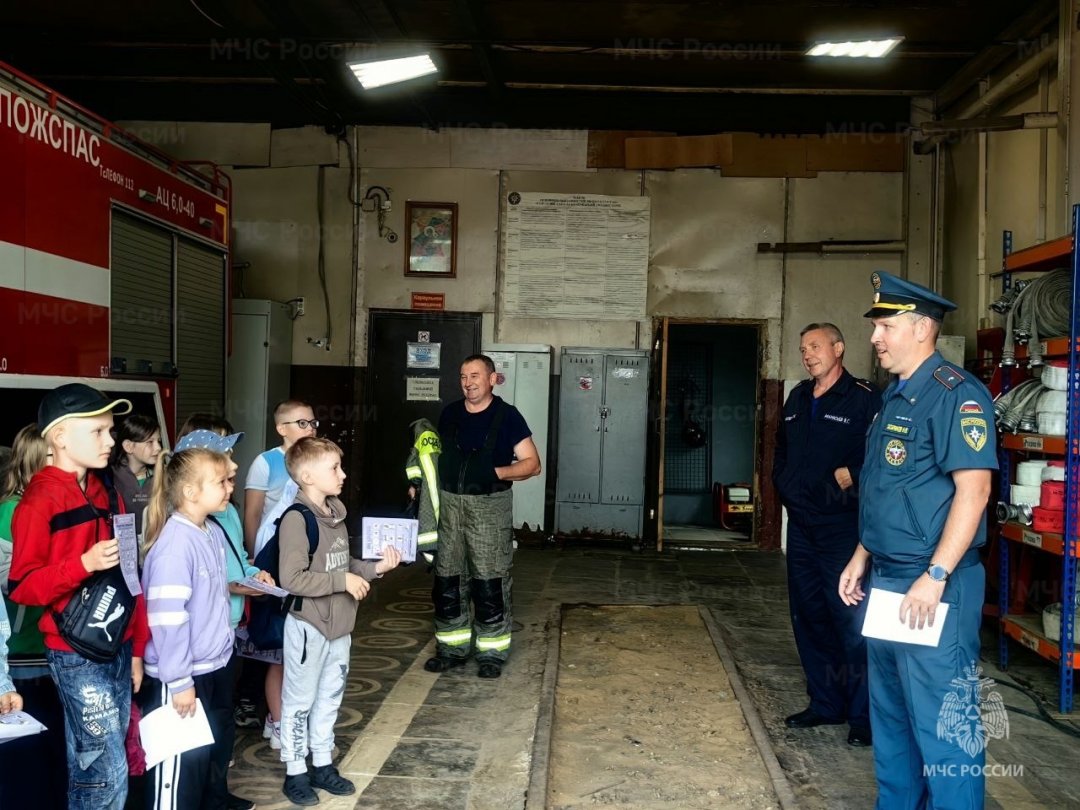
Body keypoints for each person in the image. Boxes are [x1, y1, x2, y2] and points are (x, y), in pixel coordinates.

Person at [839, 271, 996, 809]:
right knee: (893, 716)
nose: (875, 338)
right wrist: (862, 554)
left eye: (886, 326)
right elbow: (886, 485)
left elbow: (973, 493)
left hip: (934, 586)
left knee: (943, 724)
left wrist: (934, 577)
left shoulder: (957, 396)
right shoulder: (893, 397)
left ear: (922, 328)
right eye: (876, 326)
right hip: (887, 576)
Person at [8, 383, 148, 810]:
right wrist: (82, 565)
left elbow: (130, 575)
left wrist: (137, 648)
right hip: (74, 653)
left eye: (111, 431)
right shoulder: (38, 500)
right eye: (99, 432)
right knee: (103, 768)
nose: (110, 442)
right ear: (60, 437)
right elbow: (23, 586)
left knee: (104, 758)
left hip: (118, 645)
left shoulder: (109, 492)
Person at [276, 436, 401, 805]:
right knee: (299, 701)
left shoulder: (336, 513)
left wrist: (377, 567)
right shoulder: (297, 520)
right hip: (308, 625)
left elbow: (343, 566)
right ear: (308, 476)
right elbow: (292, 579)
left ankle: (322, 763)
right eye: (334, 468)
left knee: (330, 697)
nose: (343, 474)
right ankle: (295, 770)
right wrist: (341, 581)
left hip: (340, 627)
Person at [774, 323, 880, 747]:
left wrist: (851, 475)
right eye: (803, 349)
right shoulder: (798, 397)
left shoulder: (865, 399)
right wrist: (783, 483)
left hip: (841, 528)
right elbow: (781, 448)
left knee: (850, 619)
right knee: (809, 615)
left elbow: (886, 453)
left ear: (839, 347)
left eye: (816, 346)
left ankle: (863, 716)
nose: (808, 354)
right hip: (801, 525)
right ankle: (825, 703)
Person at [427, 354, 541, 679]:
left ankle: (492, 652)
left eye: (475, 375)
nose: (468, 382)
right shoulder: (449, 413)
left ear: (492, 379)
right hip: (450, 506)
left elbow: (533, 464)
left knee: (489, 579)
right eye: (463, 376)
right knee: (447, 578)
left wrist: (495, 471)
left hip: (489, 507)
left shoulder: (508, 417)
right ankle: (452, 648)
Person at [139, 446, 239, 810]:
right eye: (220, 482)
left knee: (201, 765)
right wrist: (180, 681)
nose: (230, 488)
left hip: (212, 666)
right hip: (181, 679)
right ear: (190, 492)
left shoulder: (208, 531)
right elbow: (168, 619)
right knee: (177, 777)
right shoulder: (175, 545)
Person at [0, 424, 67, 810]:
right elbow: (18, 585)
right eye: (52, 456)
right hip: (24, 651)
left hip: (43, 646)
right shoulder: (14, 510)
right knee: (31, 752)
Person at [243, 399, 316, 749]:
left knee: (302, 646)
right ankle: (277, 720)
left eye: (313, 422)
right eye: (302, 423)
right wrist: (251, 562)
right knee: (277, 646)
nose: (310, 428)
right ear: (281, 428)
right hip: (271, 561)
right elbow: (253, 513)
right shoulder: (266, 462)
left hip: (305, 560)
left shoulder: (317, 457)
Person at [108, 413, 162, 539]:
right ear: (128, 446)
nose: (158, 448)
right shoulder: (110, 477)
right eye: (150, 442)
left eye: (158, 441)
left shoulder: (164, 475)